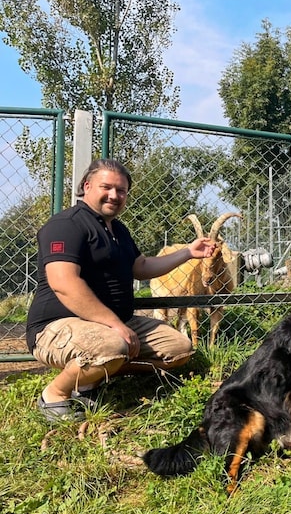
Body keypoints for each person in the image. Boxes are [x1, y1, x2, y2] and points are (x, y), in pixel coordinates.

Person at [26, 158, 218, 423]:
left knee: (180, 348)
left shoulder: (119, 230)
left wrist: (188, 252)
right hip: (56, 326)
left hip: (113, 325)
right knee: (113, 344)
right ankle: (55, 394)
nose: (114, 195)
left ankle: (91, 379)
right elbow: (63, 282)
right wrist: (115, 324)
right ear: (87, 185)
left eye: (121, 190)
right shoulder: (66, 224)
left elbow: (141, 266)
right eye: (107, 187)